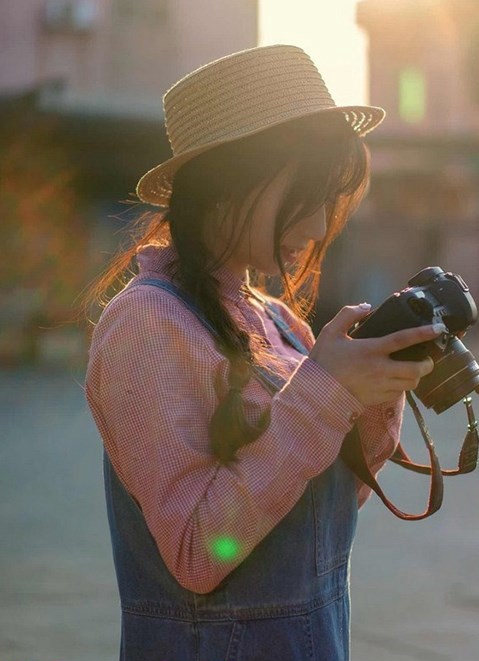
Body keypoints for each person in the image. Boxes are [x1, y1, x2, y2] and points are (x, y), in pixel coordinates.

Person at [85, 45, 442, 661]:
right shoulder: (146, 323)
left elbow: (319, 510)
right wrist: (327, 391)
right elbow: (201, 551)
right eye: (307, 193)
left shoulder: (274, 318)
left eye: (332, 197)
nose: (321, 220)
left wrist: (372, 389)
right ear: (231, 185)